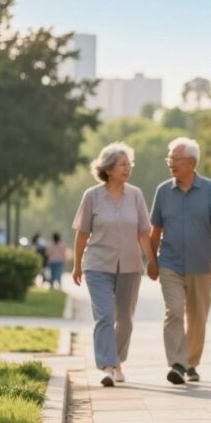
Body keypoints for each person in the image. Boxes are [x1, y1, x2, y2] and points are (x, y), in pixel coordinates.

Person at [72, 142, 157, 387]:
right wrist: (77, 265)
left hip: (130, 265)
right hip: (97, 264)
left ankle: (118, 359)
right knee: (105, 315)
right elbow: (82, 233)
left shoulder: (136, 195)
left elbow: (143, 232)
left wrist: (152, 260)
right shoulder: (92, 196)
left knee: (126, 319)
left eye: (129, 164)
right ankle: (108, 366)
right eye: (122, 164)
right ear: (108, 168)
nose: (128, 168)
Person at [148, 137, 211, 385]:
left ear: (192, 163)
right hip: (170, 263)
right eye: (169, 158)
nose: (170, 163)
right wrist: (151, 261)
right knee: (173, 311)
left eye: (175, 159)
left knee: (197, 316)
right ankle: (177, 363)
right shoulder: (163, 191)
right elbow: (155, 230)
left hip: (201, 264)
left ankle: (190, 362)